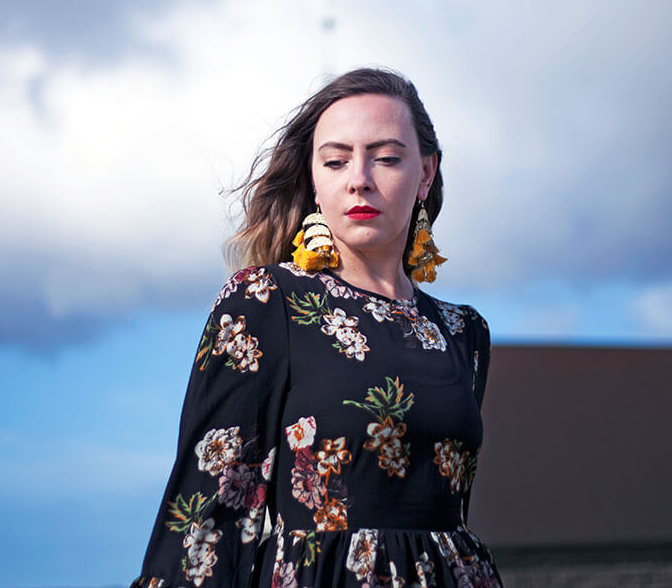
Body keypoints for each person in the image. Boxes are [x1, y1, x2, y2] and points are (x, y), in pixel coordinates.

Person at [133, 68, 501, 588]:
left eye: (386, 158)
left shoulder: (463, 332)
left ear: (425, 173)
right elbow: (209, 509)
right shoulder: (266, 301)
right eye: (335, 161)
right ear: (313, 178)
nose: (359, 179)